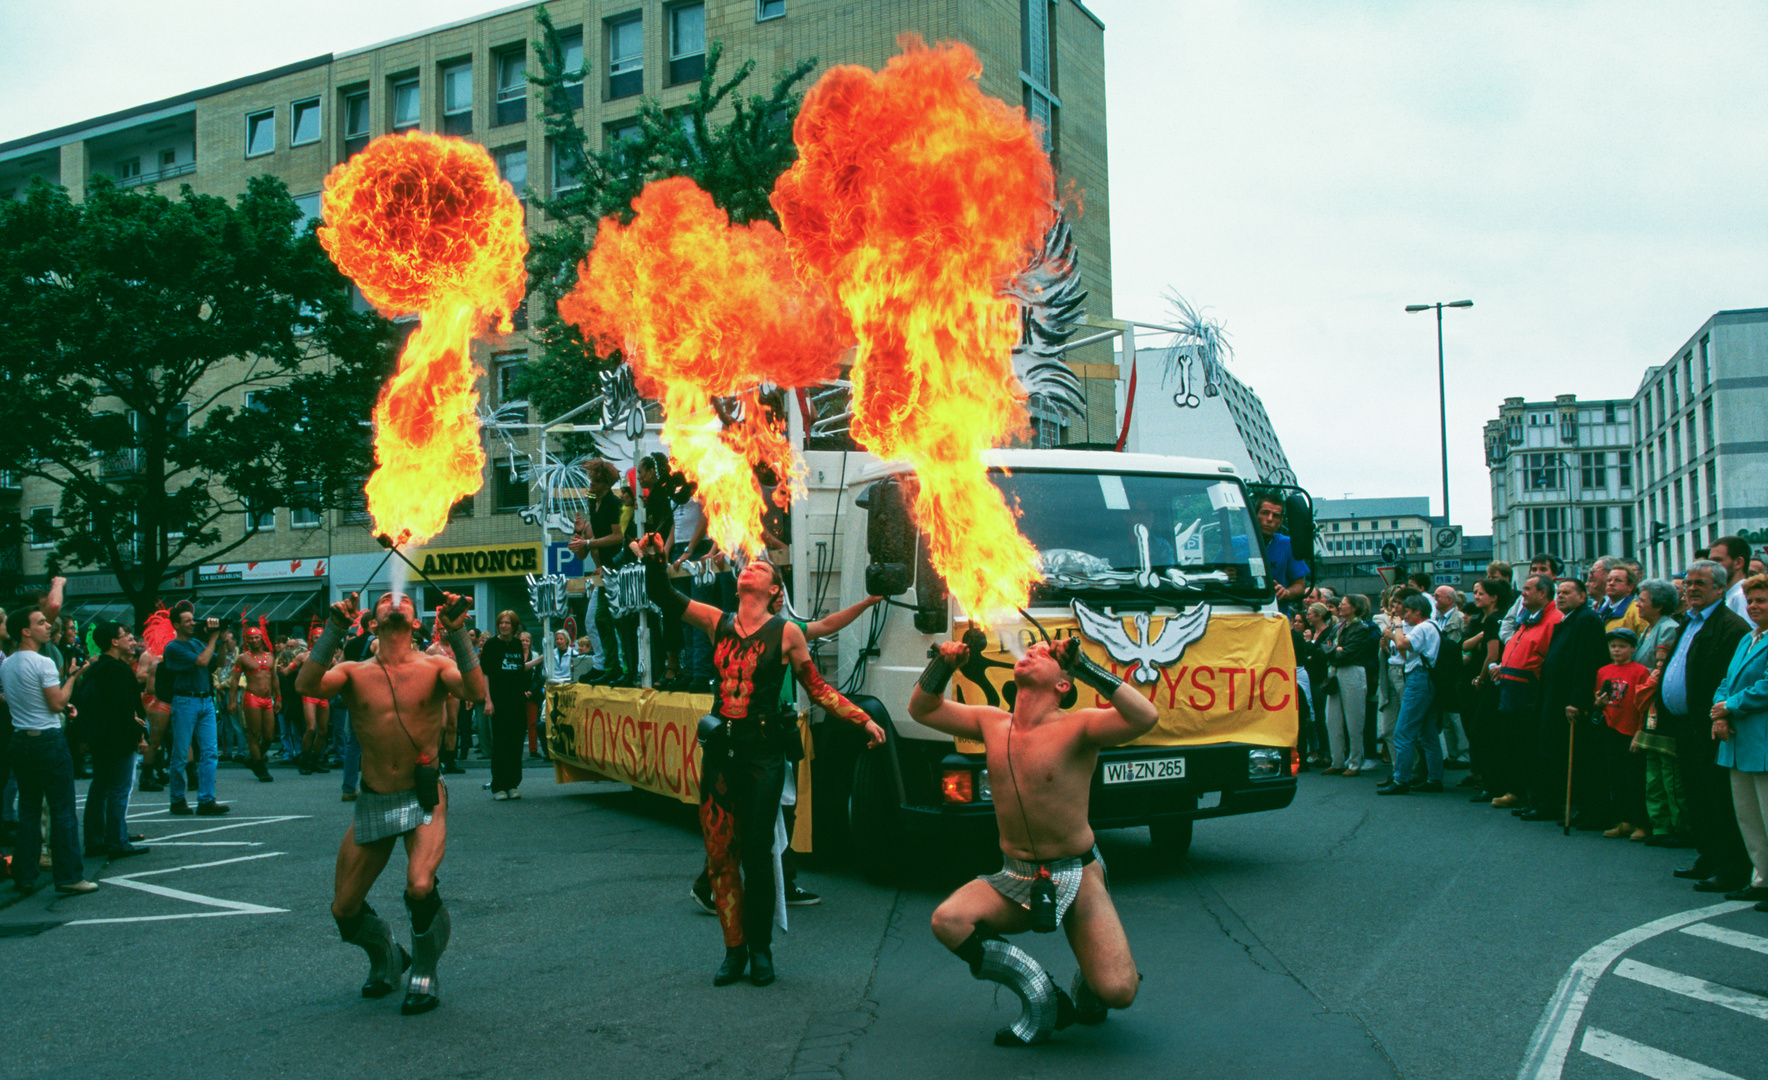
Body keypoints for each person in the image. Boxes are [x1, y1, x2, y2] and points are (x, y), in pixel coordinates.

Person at [638, 533, 884, 988]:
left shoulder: (786, 632)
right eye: (747, 567)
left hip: (763, 755)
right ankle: (733, 953)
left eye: (763, 568)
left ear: (774, 590)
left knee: (756, 852)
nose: (750, 567)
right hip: (721, 754)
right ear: (738, 586)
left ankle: (761, 951)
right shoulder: (718, 622)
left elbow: (818, 687)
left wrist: (861, 719)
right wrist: (655, 559)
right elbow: (663, 596)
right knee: (719, 856)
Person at [911, 632, 1152, 1046]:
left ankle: (1090, 982)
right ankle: (1043, 995)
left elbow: (1144, 718)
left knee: (1117, 992)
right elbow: (922, 709)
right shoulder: (991, 721)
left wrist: (1083, 666)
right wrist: (942, 666)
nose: (1032, 653)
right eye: (1031, 650)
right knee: (948, 921)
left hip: (1077, 875)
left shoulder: (1080, 726)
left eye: (1045, 654)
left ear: (1063, 685)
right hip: (1015, 876)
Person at [297, 590, 483, 1015]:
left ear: (417, 622)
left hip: (423, 795)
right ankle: (386, 956)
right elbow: (306, 685)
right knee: (343, 908)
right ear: (372, 621)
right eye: (384, 598)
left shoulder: (436, 666)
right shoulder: (352, 672)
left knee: (420, 885)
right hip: (375, 797)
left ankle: (424, 969)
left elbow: (474, 692)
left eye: (402, 599)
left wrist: (458, 634)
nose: (394, 601)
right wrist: (333, 631)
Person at [1661, 560, 1753, 893]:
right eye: (1689, 582)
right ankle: (1709, 856)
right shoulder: (1688, 621)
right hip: (1685, 726)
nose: (1692, 588)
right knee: (1696, 795)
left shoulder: (1730, 626)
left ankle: (1731, 866)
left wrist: (1720, 716)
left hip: (1710, 726)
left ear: (1719, 588)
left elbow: (1730, 679)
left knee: (1718, 799)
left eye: (1700, 583)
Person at [3, 605, 97, 895]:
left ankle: (24, 874)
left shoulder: (6, 664)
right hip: (47, 740)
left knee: (29, 810)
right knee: (62, 810)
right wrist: (72, 676)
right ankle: (69, 876)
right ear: (25, 630)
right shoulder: (43, 663)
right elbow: (56, 703)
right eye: (41, 622)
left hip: (21, 740)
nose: (48, 626)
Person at [1525, 579, 1606, 827]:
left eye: (1567, 593)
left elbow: (1586, 663)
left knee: (1573, 755)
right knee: (1551, 751)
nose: (1560, 597)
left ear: (1582, 596)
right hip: (1554, 695)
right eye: (1558, 593)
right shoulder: (1568, 620)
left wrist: (1577, 701)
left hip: (1569, 699)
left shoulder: (1586, 619)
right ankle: (1550, 803)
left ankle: (1583, 809)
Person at [1711, 573, 1768, 907]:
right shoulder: (1748, 638)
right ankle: (1761, 879)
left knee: (1767, 814)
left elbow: (1764, 687)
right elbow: (1726, 679)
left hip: (1761, 740)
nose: (1754, 606)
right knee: (1749, 817)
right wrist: (1719, 711)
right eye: (1751, 600)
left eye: (1761, 600)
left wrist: (1730, 706)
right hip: (1739, 740)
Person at [1489, 574, 1561, 811]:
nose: (1523, 594)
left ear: (1543, 593)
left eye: (1528, 589)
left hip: (1528, 694)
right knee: (1514, 745)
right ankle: (1519, 791)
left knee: (1529, 748)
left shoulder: (1553, 620)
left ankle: (1535, 797)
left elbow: (1548, 660)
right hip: (1512, 690)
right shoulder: (1530, 618)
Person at [1573, 628, 1654, 840]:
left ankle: (1642, 823)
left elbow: (1644, 705)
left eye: (1623, 646)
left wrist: (1640, 732)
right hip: (1610, 729)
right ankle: (1624, 820)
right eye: (1614, 646)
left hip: (1630, 730)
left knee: (1634, 779)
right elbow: (1598, 699)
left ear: (1633, 649)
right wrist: (1598, 703)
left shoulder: (1640, 671)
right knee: (1615, 778)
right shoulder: (1603, 671)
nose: (1617, 650)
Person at [81, 620, 151, 859]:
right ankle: (117, 840)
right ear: (114, 641)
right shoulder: (118, 670)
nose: (129, 640)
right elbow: (125, 710)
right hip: (118, 738)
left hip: (100, 737)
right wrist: (138, 736)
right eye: (124, 636)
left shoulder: (96, 668)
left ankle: (95, 839)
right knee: (119, 789)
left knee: (100, 787)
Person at [1632, 579, 1688, 846]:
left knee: (1669, 772)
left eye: (1642, 599)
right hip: (1647, 706)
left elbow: (1659, 669)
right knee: (1653, 769)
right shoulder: (1649, 628)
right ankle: (1660, 825)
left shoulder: (1669, 628)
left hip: (1660, 707)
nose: (1638, 604)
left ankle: (1679, 827)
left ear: (1658, 603)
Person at [162, 602, 230, 816]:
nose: (193, 623)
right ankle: (177, 799)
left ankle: (206, 799)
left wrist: (221, 640)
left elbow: (219, 662)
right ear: (176, 625)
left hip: (205, 700)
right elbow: (202, 662)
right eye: (188, 621)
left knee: (210, 752)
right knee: (181, 753)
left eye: (193, 619)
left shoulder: (197, 643)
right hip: (185, 701)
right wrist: (212, 637)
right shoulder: (173, 647)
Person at [1378, 594, 1444, 795]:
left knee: (1403, 731)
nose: (1404, 615)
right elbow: (1408, 653)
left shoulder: (1423, 627)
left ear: (1418, 611)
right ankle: (1434, 778)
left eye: (1407, 611)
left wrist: (1397, 628)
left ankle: (1401, 780)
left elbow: (1402, 645)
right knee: (1427, 732)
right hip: (1429, 679)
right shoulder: (1434, 626)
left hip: (1418, 680)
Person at [479, 611, 540, 800]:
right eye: (501, 622)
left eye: (507, 623)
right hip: (499, 701)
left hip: (517, 700)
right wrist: (488, 700)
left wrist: (540, 659)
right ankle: (499, 786)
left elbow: (519, 668)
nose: (504, 625)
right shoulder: (491, 645)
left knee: (515, 742)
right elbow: (485, 674)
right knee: (501, 743)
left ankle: (513, 784)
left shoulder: (516, 644)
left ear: (514, 626)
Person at [1461, 578, 1510, 798]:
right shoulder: (1502, 619)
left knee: (1481, 730)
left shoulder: (1491, 621)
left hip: (1492, 680)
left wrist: (1481, 679)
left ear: (1494, 597)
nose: (1477, 597)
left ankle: (1491, 784)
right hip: (1505, 679)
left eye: (1481, 593)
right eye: (1475, 593)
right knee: (1494, 732)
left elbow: (1492, 654)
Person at [1322, 594, 1374, 776]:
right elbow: (1325, 647)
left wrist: (1334, 650)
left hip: (1352, 672)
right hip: (1335, 671)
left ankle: (1354, 762)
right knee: (1332, 719)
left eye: (1344, 604)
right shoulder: (1338, 627)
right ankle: (1337, 761)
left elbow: (1349, 653)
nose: (1341, 606)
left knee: (1354, 720)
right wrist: (1336, 650)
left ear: (1354, 608)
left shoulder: (1361, 628)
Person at [229, 619, 279, 783]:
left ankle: (253, 757)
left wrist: (278, 697)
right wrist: (232, 701)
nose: (254, 640)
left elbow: (275, 679)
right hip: (252, 698)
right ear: (247, 640)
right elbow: (234, 681)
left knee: (269, 737)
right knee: (254, 734)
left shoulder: (270, 656)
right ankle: (260, 767)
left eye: (257, 637)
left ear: (261, 638)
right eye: (251, 638)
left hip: (267, 699)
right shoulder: (243, 658)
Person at [1253, 494, 1308, 605]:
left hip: (1276, 614)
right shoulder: (1234, 544)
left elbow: (1300, 585)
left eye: (1276, 516)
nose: (1269, 519)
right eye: (1265, 513)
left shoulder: (1287, 544)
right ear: (1254, 515)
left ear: (1280, 522)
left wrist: (1287, 592)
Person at [1597, 564, 1649, 637]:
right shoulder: (1602, 612)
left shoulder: (1638, 612)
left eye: (1618, 580)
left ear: (1630, 587)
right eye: (1609, 580)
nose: (1611, 583)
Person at [1710, 536, 1754, 621]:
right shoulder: (1730, 594)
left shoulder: (1741, 596)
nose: (1710, 566)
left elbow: (1745, 632)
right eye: (1710, 562)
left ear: (1738, 562)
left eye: (1717, 561)